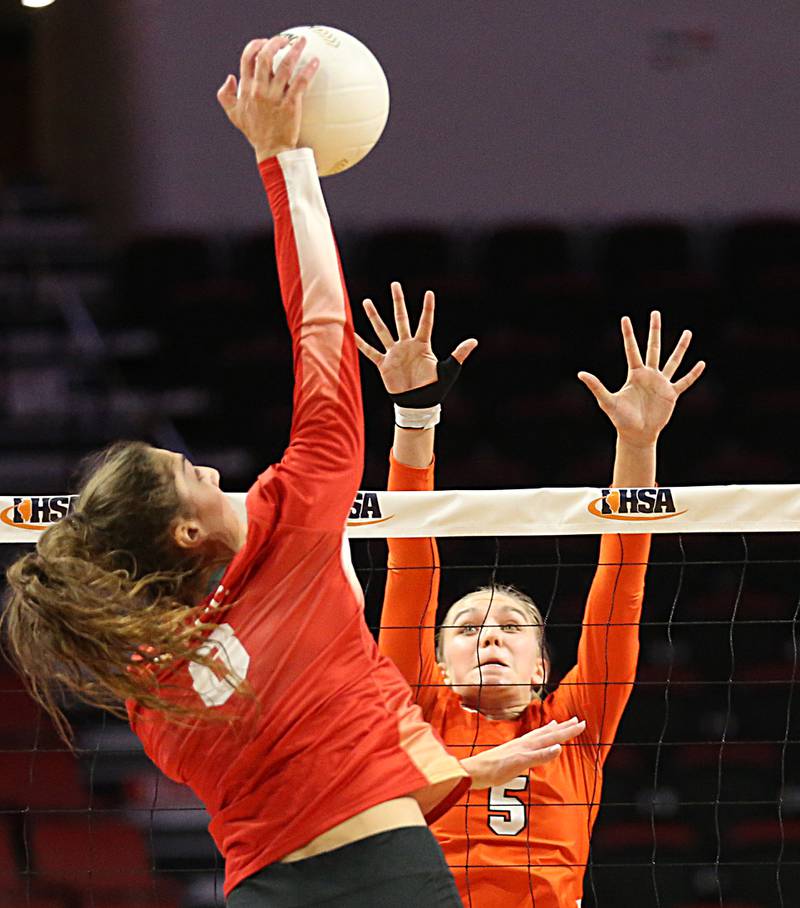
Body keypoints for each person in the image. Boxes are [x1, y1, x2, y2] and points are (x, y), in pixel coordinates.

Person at [1, 37, 585, 908]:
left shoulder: (155, 688)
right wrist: (285, 162)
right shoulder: (296, 537)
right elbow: (320, 324)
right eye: (192, 471)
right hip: (389, 880)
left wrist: (473, 763)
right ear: (185, 533)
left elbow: (330, 773)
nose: (211, 466)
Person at [356, 288, 705, 908]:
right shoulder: (421, 709)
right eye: (464, 628)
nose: (488, 635)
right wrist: (414, 415)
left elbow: (620, 586)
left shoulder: (574, 724)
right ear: (436, 665)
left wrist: (639, 444)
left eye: (512, 625)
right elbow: (409, 560)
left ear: (544, 666)